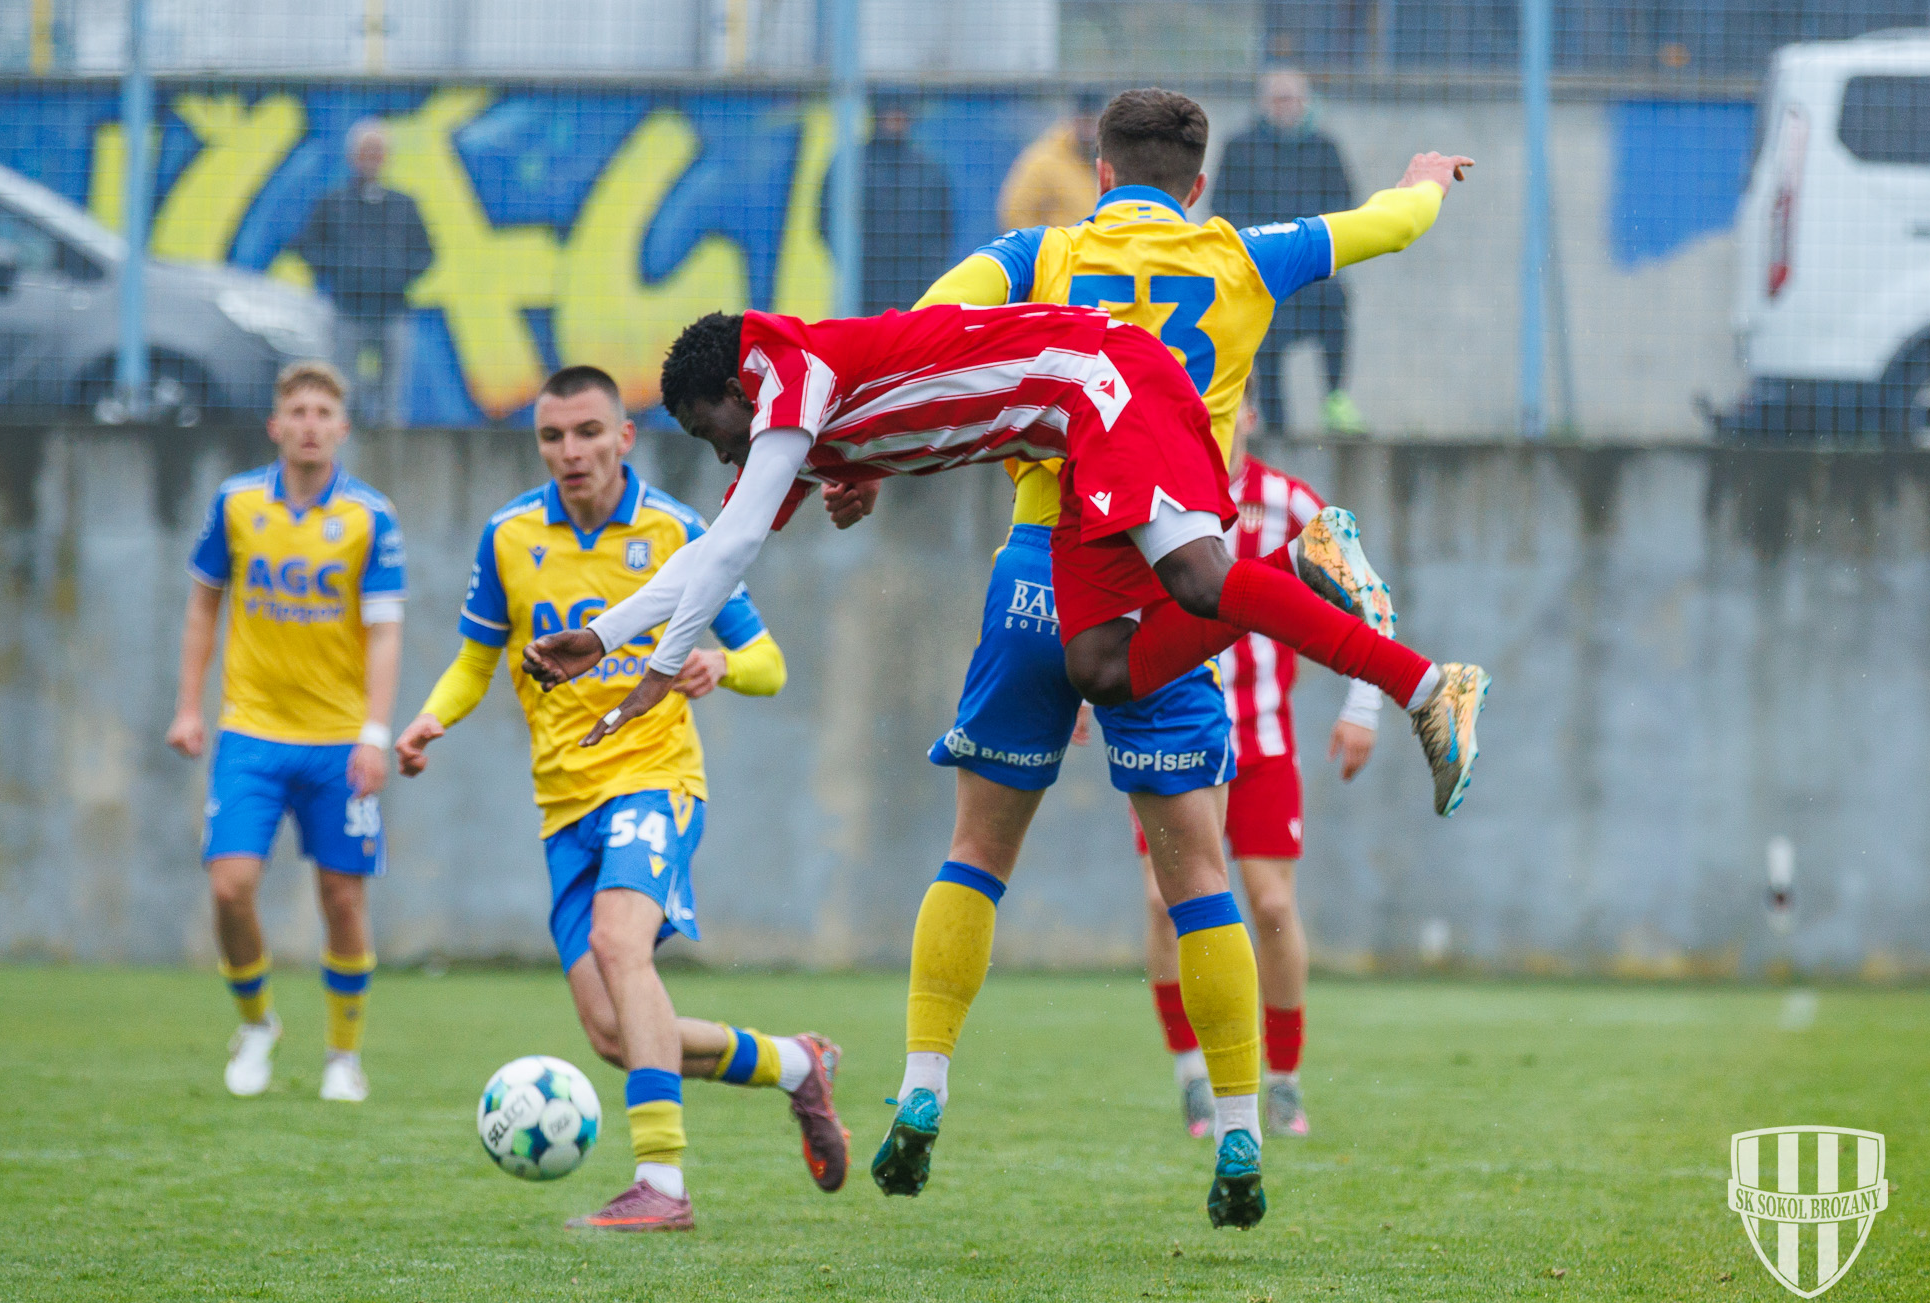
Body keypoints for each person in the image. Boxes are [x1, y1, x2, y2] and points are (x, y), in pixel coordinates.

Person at [518, 264, 1489, 1222]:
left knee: (1196, 583)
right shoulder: (798, 413)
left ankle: (1420, 683)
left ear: (738, 390)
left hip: (1104, 387)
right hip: (1071, 452)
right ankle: (1297, 567)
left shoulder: (792, 377)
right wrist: (603, 635)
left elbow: (732, 543)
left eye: (713, 430)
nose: (723, 452)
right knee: (1102, 666)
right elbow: (719, 543)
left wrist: (658, 670)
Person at [839, 85, 1446, 1226]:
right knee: (1197, 876)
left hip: (1039, 570)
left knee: (976, 851)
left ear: (1101, 172)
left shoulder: (1038, 255)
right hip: (1167, 583)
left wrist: (864, 456)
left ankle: (922, 1084)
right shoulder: (1242, 255)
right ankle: (1239, 1129)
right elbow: (1390, 226)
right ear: (1198, 184)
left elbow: (917, 334)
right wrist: (1422, 179)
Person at [394, 366, 848, 1234]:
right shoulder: (508, 536)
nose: (571, 451)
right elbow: (475, 662)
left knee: (617, 941)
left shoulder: (678, 529)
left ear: (624, 437)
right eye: (553, 436)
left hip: (654, 778)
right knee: (612, 1031)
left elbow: (770, 664)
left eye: (588, 432)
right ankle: (796, 1063)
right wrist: (429, 718)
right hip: (565, 805)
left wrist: (718, 663)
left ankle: (661, 1183)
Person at [1136, 389, 1384, 1141]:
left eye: (1230, 402)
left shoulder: (1287, 502)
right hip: (1172, 733)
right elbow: (1101, 594)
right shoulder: (1154, 495)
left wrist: (1363, 706)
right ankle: (1192, 1075)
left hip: (1262, 741)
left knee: (1272, 907)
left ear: (1247, 415)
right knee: (1162, 903)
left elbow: (1365, 590)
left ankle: (1283, 1081)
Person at [165, 361, 405, 1104]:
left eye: (322, 412)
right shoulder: (236, 503)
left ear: (342, 428)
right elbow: (203, 604)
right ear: (275, 426)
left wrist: (374, 733)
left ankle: (343, 1055)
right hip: (252, 733)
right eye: (297, 411)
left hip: (339, 742)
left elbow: (386, 631)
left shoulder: (370, 516)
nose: (309, 424)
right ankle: (256, 1023)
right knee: (230, 886)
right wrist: (188, 707)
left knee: (343, 899)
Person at [1212, 69, 1367, 436]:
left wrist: (1314, 243)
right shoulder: (1240, 148)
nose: (1285, 106)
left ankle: (1335, 400)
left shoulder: (1324, 148)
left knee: (1336, 310)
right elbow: (1224, 205)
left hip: (1312, 269)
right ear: (1263, 103)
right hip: (1266, 269)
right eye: (1278, 98)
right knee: (1266, 344)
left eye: (1292, 98)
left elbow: (1344, 202)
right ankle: (1277, 427)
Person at [292, 119, 433, 429]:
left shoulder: (403, 205)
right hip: (347, 309)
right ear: (352, 156)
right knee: (342, 388)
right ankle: (343, 443)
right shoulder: (333, 202)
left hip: (392, 310)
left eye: (377, 151)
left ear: (386, 156)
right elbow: (307, 245)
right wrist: (342, 271)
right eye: (365, 151)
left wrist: (396, 276)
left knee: (391, 396)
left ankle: (390, 448)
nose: (371, 157)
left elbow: (425, 253)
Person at [822, 95, 955, 312]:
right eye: (890, 113)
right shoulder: (851, 165)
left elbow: (944, 227)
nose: (896, 120)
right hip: (865, 285)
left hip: (915, 284)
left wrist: (927, 269)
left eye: (901, 114)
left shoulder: (928, 169)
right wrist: (857, 262)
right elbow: (825, 222)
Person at [996, 88, 1105, 232]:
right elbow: (1016, 213)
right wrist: (1044, 244)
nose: (1088, 131)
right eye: (1084, 121)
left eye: (1093, 123)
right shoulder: (1044, 161)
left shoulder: (1104, 159)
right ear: (1073, 121)